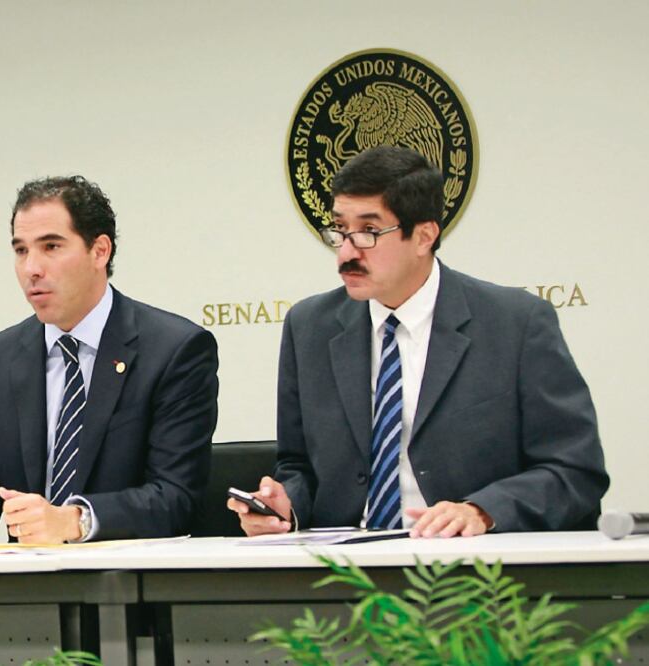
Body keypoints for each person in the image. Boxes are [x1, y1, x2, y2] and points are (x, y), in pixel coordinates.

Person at [229, 145, 608, 538]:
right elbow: (299, 466)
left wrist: (483, 510)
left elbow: (574, 470)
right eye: (340, 230)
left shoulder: (516, 323)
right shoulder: (310, 326)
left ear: (425, 235)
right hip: (342, 571)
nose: (346, 252)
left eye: (369, 232)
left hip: (477, 570)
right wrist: (284, 505)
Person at [0, 175, 219, 549]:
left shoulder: (173, 350)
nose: (31, 268)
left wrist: (74, 520)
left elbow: (175, 496)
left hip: (131, 582)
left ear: (100, 251)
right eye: (21, 251)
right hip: (29, 587)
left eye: (51, 246)